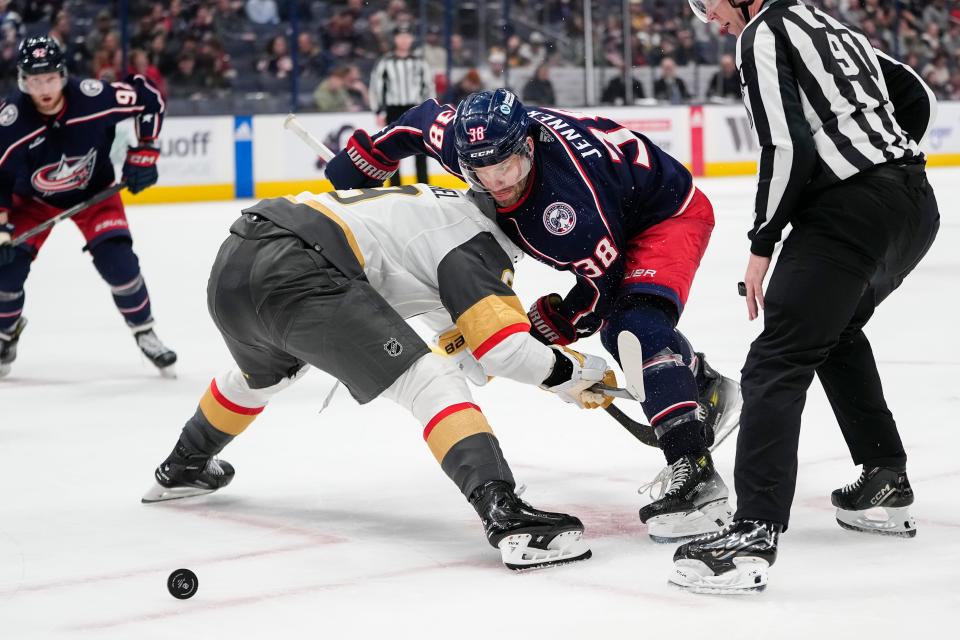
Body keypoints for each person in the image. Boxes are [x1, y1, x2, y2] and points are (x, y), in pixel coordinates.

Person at [324, 89, 743, 543]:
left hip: (665, 214)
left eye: (507, 167)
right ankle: (699, 383)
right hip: (616, 203)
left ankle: (696, 472)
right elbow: (420, 122)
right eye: (479, 173)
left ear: (528, 146)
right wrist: (368, 157)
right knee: (634, 332)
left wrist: (560, 319)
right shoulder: (472, 141)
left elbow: (602, 289)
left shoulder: (568, 208)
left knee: (633, 327)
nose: (497, 183)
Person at [142, 183, 619, 571]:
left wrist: (556, 379)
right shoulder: (476, 243)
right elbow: (501, 352)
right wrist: (574, 373)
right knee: (430, 384)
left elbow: (471, 351)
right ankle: (505, 513)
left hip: (238, 260)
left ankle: (183, 465)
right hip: (300, 269)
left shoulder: (442, 216)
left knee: (263, 377)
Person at [671, 0, 941, 593]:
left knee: (777, 359)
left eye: (708, 2)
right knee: (835, 330)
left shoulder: (762, 32)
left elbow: (784, 145)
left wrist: (762, 243)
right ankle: (884, 477)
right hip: (915, 204)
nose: (707, 18)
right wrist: (881, 161)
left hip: (852, 213)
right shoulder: (825, 23)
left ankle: (752, 534)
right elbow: (915, 94)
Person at [0, 36, 176, 378]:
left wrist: (145, 153)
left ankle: (145, 331)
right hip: (32, 202)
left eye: (50, 78)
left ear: (63, 74)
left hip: (94, 193)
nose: (44, 88)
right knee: (6, 273)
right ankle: (6, 333)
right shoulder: (10, 121)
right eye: (35, 81)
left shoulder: (94, 97)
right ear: (23, 80)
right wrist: (2, 225)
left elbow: (149, 97)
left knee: (119, 263)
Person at [369, 23, 433, 185]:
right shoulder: (385, 62)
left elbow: (428, 86)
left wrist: (431, 111)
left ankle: (423, 185)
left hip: (416, 109)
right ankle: (395, 187)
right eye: (400, 37)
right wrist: (378, 111)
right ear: (395, 39)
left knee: (421, 151)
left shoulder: (420, 62)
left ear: (412, 39)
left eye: (407, 36)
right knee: (392, 150)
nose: (404, 40)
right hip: (394, 110)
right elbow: (376, 87)